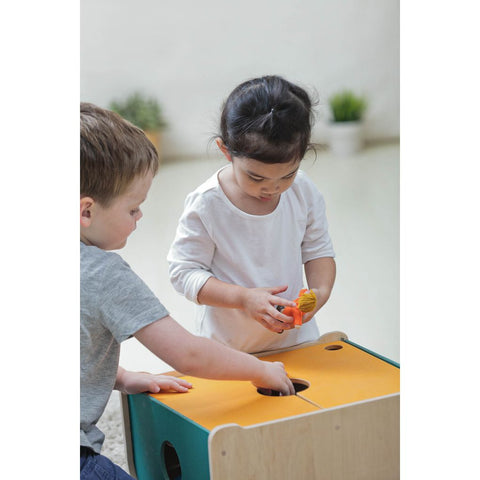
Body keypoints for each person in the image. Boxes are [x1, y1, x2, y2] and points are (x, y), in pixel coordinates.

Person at [80, 102, 294, 480]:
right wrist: (261, 370)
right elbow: (188, 353)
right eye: (133, 209)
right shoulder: (102, 272)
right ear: (86, 211)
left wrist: (121, 377)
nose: (140, 218)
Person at [168, 75, 336, 354]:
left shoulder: (303, 190)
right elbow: (183, 273)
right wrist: (243, 298)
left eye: (287, 175)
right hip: (230, 349)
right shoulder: (207, 203)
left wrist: (321, 292)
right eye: (255, 177)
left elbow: (318, 250)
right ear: (226, 151)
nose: (272, 188)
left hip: (297, 341)